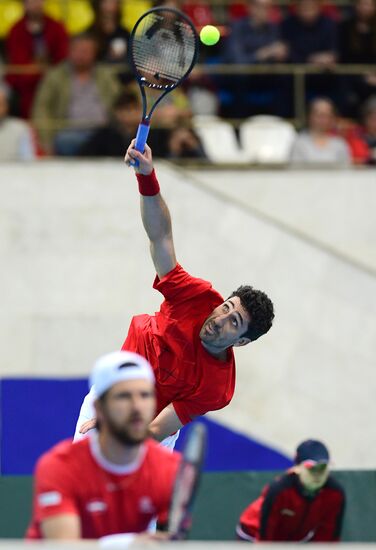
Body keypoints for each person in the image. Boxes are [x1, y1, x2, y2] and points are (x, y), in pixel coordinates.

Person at [75, 140, 274, 449]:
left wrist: (122, 434)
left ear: (242, 341)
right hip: (112, 393)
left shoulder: (217, 387)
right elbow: (161, 237)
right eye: (226, 307)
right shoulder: (196, 296)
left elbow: (157, 427)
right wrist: (146, 177)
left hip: (152, 429)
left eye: (234, 322)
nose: (220, 318)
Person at [26, 350, 180, 540]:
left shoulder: (170, 469)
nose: (137, 406)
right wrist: (127, 544)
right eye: (124, 396)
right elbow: (63, 545)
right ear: (99, 409)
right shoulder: (58, 467)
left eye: (145, 395)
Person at [237, 439, 346, 542]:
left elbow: (327, 540)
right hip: (253, 533)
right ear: (297, 468)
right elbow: (265, 539)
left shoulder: (335, 494)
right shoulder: (279, 491)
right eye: (311, 468)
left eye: (322, 468)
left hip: (296, 540)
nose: (317, 475)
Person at [31, 32, 120, 155]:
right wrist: (46, 142)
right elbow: (41, 108)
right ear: (69, 51)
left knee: (114, 140)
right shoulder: (55, 76)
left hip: (102, 130)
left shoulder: (106, 76)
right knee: (65, 142)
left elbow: (120, 102)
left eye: (86, 51)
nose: (81, 55)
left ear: (95, 53)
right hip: (69, 132)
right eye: (78, 50)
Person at [221, 0, 288, 117]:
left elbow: (277, 55)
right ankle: (240, 125)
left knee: (288, 76)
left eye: (269, 8)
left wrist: (281, 55)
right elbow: (237, 60)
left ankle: (280, 122)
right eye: (262, 7)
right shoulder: (237, 27)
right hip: (241, 77)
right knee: (240, 78)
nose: (266, 12)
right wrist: (262, 55)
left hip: (265, 75)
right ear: (251, 8)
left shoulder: (273, 28)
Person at [5, 0, 69, 119]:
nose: (36, 4)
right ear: (24, 4)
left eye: (39, 1)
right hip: (27, 85)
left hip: (54, 80)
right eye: (32, 1)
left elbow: (62, 58)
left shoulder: (57, 27)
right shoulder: (16, 30)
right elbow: (19, 64)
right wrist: (40, 69)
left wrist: (48, 72)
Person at [338, 0, 376, 117]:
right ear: (356, 6)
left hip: (374, 75)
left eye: (369, 4)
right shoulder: (345, 27)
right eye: (362, 4)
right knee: (348, 96)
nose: (365, 8)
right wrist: (361, 75)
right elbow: (343, 57)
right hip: (351, 76)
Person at [290, 97, 351, 165]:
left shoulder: (340, 144)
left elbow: (346, 171)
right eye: (319, 114)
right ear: (309, 116)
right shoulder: (299, 143)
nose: (322, 119)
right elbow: (295, 172)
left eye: (327, 115)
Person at [0, 82, 36, 161]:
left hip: (14, 172)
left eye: (0, 104)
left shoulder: (21, 128)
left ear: (7, 106)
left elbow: (28, 160)